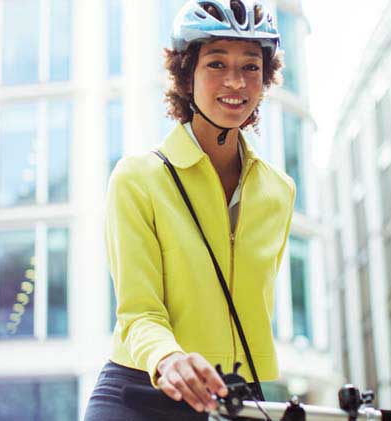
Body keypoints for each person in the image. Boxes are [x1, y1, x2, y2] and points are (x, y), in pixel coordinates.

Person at [84, 0, 296, 419]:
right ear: (186, 75)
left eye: (251, 67)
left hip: (237, 395)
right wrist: (169, 358)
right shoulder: (138, 177)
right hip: (142, 388)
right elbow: (138, 310)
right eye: (216, 64)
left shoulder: (278, 191)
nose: (235, 82)